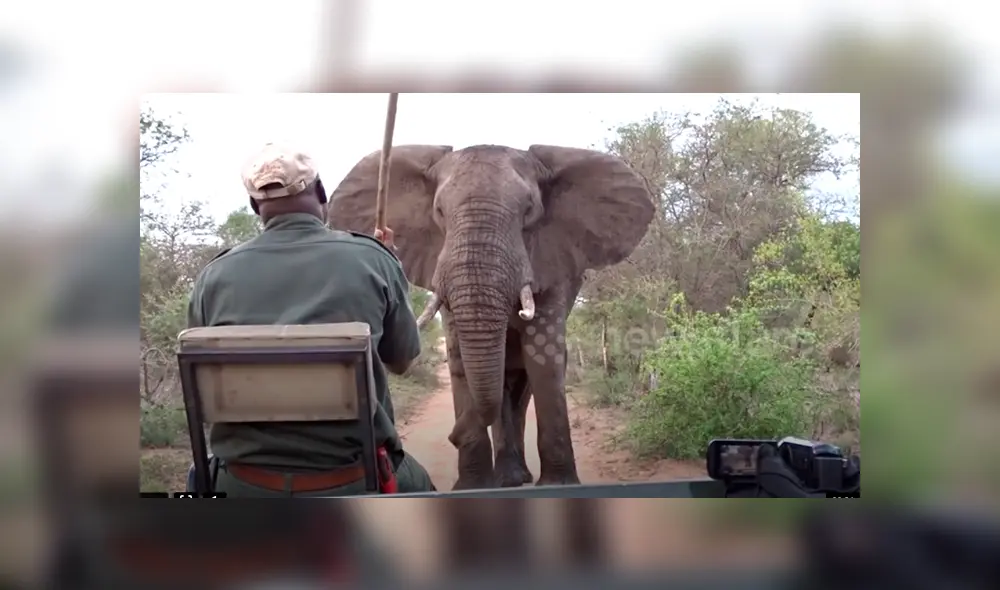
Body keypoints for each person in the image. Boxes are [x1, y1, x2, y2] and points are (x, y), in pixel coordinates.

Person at [186, 143, 436, 497]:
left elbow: (199, 375)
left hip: (241, 483)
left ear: (255, 206)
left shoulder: (212, 276)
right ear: (321, 192)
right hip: (353, 479)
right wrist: (387, 260)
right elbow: (403, 360)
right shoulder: (373, 258)